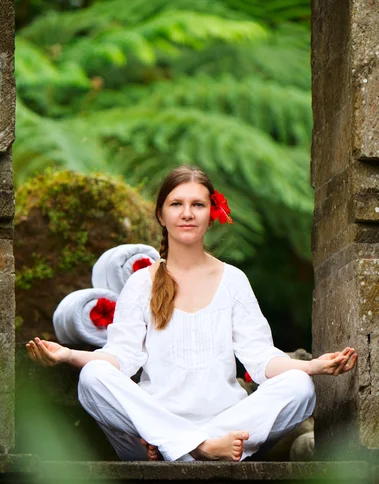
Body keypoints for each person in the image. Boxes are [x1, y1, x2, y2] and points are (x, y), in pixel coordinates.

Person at [26, 165, 358, 462]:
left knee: (300, 386)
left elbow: (260, 358)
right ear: (161, 215)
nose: (187, 213)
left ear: (211, 213)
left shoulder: (233, 281)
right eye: (176, 204)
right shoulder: (142, 283)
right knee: (92, 379)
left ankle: (187, 448)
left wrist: (312, 366)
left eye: (197, 204)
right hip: (151, 429)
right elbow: (121, 358)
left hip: (223, 429)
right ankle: (198, 448)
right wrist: (68, 354)